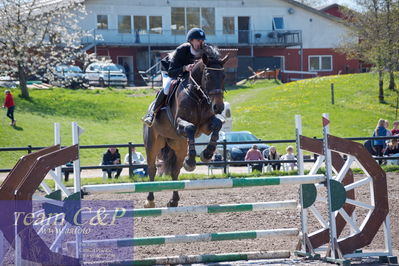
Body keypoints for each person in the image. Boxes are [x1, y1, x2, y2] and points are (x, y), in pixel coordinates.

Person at [142, 27, 206, 127]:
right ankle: (151, 114)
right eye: (198, 40)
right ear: (191, 40)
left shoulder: (203, 49)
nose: (200, 43)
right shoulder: (182, 50)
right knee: (167, 87)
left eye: (202, 40)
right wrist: (185, 68)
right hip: (169, 70)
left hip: (185, 73)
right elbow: (172, 72)